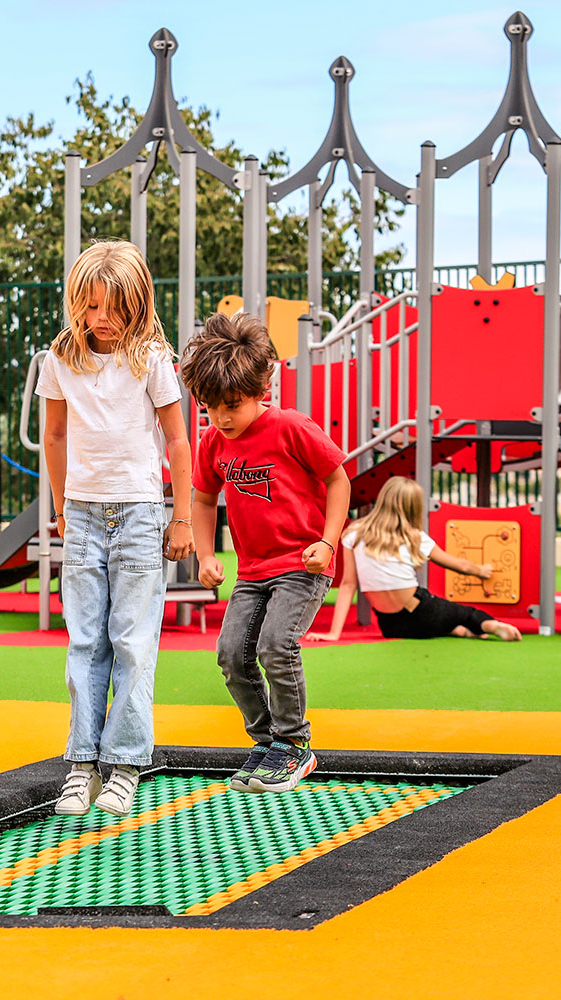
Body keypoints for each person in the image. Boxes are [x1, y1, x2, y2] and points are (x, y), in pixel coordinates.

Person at [36, 240, 195, 818]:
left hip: (138, 513)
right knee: (85, 638)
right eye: (90, 306)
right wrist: (60, 506)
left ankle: (124, 763)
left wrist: (181, 516)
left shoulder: (152, 360)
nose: (99, 320)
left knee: (132, 638)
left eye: (113, 309)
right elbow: (55, 437)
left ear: (137, 305)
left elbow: (178, 440)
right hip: (81, 512)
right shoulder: (59, 361)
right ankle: (82, 763)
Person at [180, 312, 350, 794]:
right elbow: (203, 498)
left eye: (233, 405)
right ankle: (268, 743)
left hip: (302, 563)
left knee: (276, 644)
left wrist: (328, 540)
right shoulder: (213, 441)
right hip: (253, 571)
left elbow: (338, 478)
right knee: (232, 654)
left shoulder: (292, 428)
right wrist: (207, 554)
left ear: (261, 390)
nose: (223, 417)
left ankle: (295, 746)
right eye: (211, 407)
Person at [308, 476, 522, 642]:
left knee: (444, 623)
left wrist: (334, 633)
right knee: (466, 613)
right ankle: (492, 626)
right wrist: (481, 570)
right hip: (419, 610)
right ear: (414, 508)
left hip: (390, 625)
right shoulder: (414, 537)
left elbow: (347, 585)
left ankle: (458, 631)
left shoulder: (353, 534)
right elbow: (459, 565)